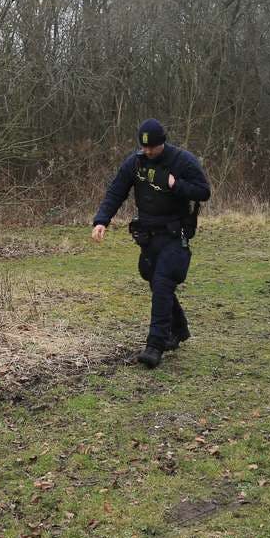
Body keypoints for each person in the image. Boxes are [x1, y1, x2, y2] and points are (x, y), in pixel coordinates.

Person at [91, 119, 212, 369]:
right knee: (153, 279)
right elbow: (116, 191)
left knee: (163, 282)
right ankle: (178, 329)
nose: (148, 151)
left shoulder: (183, 161)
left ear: (162, 142)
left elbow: (203, 191)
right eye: (144, 147)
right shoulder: (134, 163)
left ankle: (155, 346)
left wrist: (176, 185)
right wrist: (102, 220)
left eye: (153, 147)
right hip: (148, 234)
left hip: (175, 233)